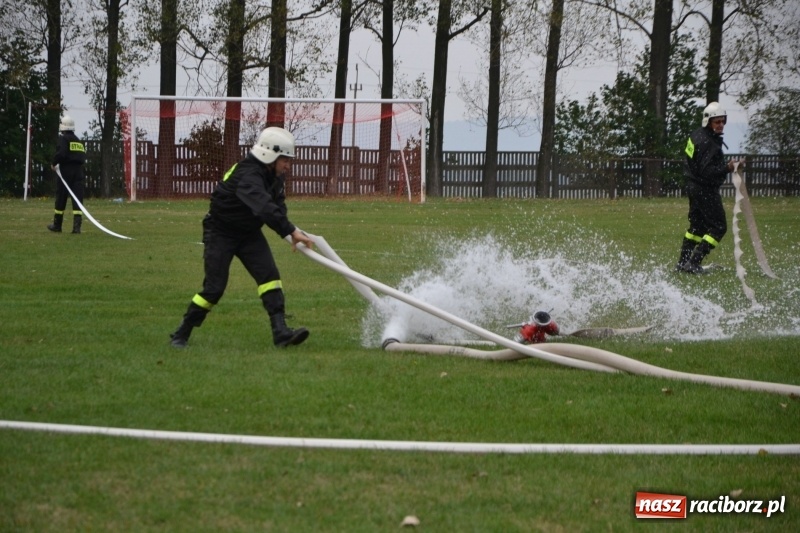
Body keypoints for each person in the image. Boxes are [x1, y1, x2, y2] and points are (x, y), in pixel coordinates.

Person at [169, 127, 315, 349]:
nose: (288, 165)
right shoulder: (248, 176)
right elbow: (265, 208)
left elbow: (277, 205)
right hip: (221, 232)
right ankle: (182, 333)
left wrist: (288, 228)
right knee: (214, 288)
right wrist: (290, 230)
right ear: (270, 155)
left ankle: (281, 333)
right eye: (285, 159)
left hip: (248, 234)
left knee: (270, 278)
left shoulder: (273, 177)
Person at [675, 102, 743, 274]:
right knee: (719, 227)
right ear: (708, 122)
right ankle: (693, 263)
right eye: (717, 122)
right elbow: (707, 171)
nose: (720, 125)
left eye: (723, 121)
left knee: (697, 228)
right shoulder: (708, 143)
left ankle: (682, 264)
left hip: (693, 186)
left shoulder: (697, 135)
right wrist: (727, 168)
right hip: (704, 189)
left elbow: (692, 162)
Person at [47, 115, 86, 234]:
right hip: (78, 171)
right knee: (77, 198)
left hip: (66, 172)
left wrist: (54, 163)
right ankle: (77, 227)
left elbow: (61, 153)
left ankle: (57, 225)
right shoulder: (78, 140)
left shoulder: (63, 139)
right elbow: (82, 156)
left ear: (62, 127)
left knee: (61, 197)